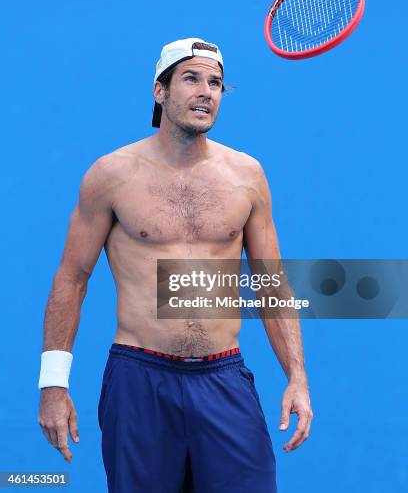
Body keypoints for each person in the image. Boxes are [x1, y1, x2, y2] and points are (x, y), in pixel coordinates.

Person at [38, 37, 313, 492]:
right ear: (159, 91)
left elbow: (271, 283)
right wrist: (53, 384)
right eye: (191, 78)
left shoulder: (247, 176)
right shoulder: (112, 175)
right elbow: (72, 278)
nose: (206, 91)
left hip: (223, 379)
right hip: (139, 380)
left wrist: (297, 378)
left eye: (216, 82)